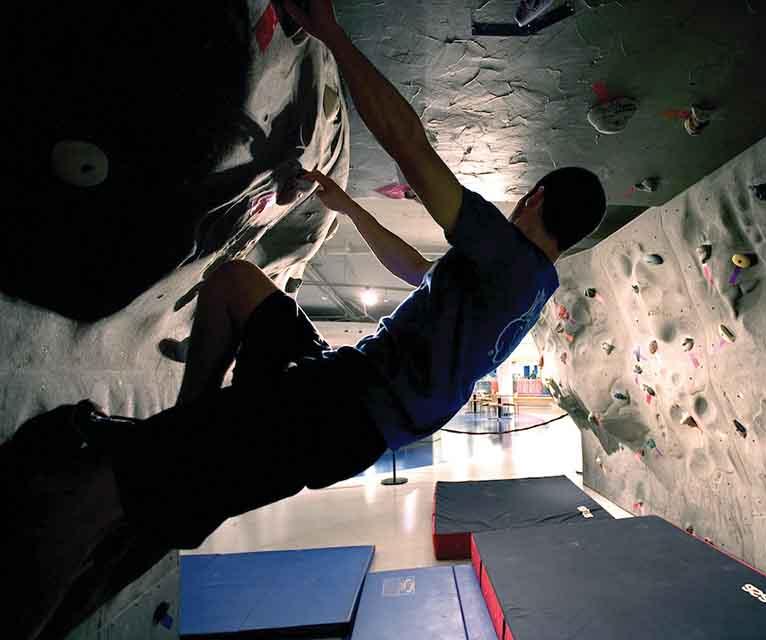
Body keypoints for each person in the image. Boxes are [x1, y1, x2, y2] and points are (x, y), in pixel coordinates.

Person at [86, 0, 607, 550]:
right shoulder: (526, 287)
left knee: (112, 489)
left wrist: (332, 34)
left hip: (342, 414)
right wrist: (350, 208)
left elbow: (411, 149)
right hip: (345, 381)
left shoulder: (508, 257)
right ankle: (188, 440)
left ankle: (176, 475)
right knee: (234, 285)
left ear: (535, 197)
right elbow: (419, 272)